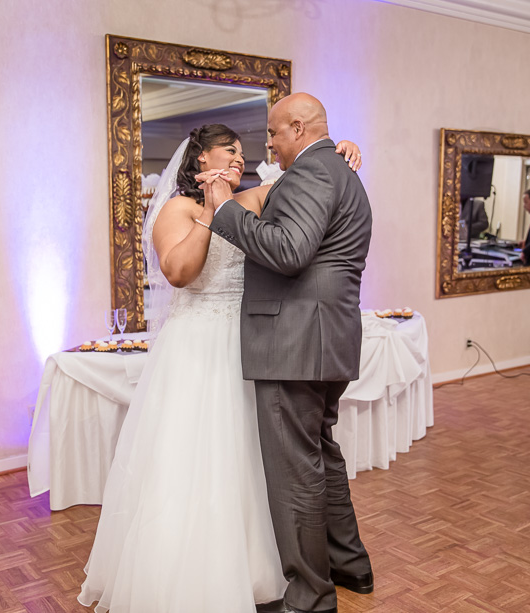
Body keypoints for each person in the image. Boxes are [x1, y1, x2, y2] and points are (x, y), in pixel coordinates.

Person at [77, 124, 363, 613]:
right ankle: (190, 574)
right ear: (198, 160)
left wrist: (339, 149)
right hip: (195, 347)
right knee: (196, 458)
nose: (239, 158)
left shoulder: (251, 199)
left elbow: (309, 176)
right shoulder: (178, 209)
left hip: (249, 344)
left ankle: (262, 567)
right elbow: (179, 272)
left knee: (255, 459)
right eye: (227, 151)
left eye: (241, 153)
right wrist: (211, 210)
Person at [201, 93, 373, 613]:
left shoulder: (312, 173)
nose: (268, 143)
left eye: (274, 133)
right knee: (321, 454)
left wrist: (224, 211)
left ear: (298, 128)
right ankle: (350, 566)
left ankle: (309, 597)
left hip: (294, 342)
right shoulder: (339, 169)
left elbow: (289, 250)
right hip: (324, 338)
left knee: (296, 470)